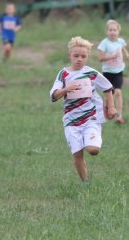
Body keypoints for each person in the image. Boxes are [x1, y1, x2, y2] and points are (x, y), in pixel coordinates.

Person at [50, 36, 117, 185]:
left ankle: (90, 141)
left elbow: (107, 88)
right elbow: (53, 96)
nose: (79, 59)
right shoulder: (64, 74)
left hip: (91, 119)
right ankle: (86, 182)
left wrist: (111, 106)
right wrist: (65, 89)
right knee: (77, 154)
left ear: (87, 57)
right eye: (76, 56)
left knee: (93, 150)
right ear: (70, 56)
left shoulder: (91, 73)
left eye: (83, 56)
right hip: (71, 121)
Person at [98, 19, 129, 124]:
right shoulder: (104, 43)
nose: (112, 32)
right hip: (107, 72)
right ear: (106, 31)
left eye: (114, 30)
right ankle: (107, 109)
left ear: (118, 31)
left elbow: (123, 49)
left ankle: (119, 115)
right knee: (109, 95)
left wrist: (127, 54)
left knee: (118, 92)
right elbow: (101, 58)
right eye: (110, 30)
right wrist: (111, 56)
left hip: (118, 71)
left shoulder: (120, 41)